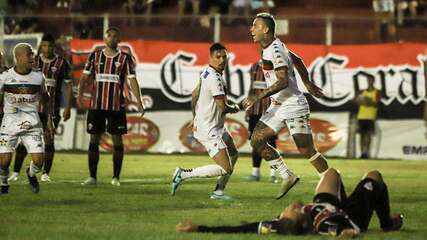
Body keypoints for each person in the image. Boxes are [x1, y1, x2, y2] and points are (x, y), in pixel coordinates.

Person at [242, 12, 329, 199]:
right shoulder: (270, 46)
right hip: (278, 105)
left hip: (293, 105)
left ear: (266, 29)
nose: (251, 29)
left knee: (306, 149)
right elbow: (297, 60)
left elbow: (282, 81)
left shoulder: (275, 50)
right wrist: (307, 83)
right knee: (257, 140)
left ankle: (330, 180)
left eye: (255, 26)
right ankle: (286, 175)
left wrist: (257, 97)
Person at [176, 168, 403, 237]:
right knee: (374, 176)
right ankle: (386, 223)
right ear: (301, 222)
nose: (289, 208)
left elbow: (241, 229)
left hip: (324, 205)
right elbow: (340, 232)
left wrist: (201, 228)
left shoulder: (276, 225)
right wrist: (346, 233)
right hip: (350, 216)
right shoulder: (321, 225)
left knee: (331, 173)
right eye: (292, 211)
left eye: (285, 211)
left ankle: (343, 201)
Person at [171, 43, 240, 200]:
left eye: (224, 57)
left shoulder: (207, 72)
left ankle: (218, 191)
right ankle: (183, 174)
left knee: (234, 153)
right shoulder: (215, 78)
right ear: (211, 57)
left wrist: (194, 116)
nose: (222, 60)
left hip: (215, 126)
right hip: (210, 129)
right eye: (218, 57)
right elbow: (222, 107)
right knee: (226, 168)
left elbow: (194, 94)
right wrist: (235, 108)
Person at [78, 27, 145, 187]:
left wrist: (139, 102)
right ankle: (92, 177)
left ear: (119, 40)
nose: (112, 38)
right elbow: (85, 78)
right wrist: (79, 95)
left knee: (117, 140)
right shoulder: (94, 56)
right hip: (96, 105)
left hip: (116, 106)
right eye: (109, 35)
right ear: (104, 38)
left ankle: (116, 177)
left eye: (115, 36)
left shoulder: (125, 58)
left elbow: (132, 81)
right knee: (94, 138)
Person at [8, 34, 73, 182]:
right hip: (30, 107)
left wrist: (68, 107)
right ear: (41, 46)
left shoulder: (62, 63)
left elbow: (69, 86)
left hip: (51, 109)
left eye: (49, 46)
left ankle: (45, 174)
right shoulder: (33, 61)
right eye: (44, 45)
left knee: (48, 139)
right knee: (24, 139)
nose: (47, 48)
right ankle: (16, 172)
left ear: (54, 46)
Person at [0, 43, 54, 194]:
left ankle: (30, 173)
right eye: (29, 54)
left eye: (33, 54)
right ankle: (3, 182)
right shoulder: (5, 77)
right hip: (10, 122)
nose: (33, 57)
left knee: (39, 162)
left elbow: (46, 98)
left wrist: (49, 119)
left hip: (32, 123)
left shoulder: (38, 76)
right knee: (3, 162)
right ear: (18, 57)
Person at [246, 60, 278, 183]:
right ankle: (255, 173)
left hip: (270, 112)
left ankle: (273, 174)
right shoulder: (254, 66)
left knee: (270, 142)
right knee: (255, 142)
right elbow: (252, 88)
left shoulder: (276, 68)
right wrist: (248, 107)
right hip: (255, 111)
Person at [355, 75, 381, 159]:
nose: (370, 81)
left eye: (371, 80)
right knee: (362, 135)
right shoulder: (362, 91)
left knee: (368, 135)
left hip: (370, 116)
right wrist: (368, 101)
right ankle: (362, 153)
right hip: (361, 116)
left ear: (374, 81)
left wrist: (366, 101)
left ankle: (366, 152)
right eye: (369, 80)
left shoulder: (377, 91)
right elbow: (356, 101)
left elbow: (376, 104)